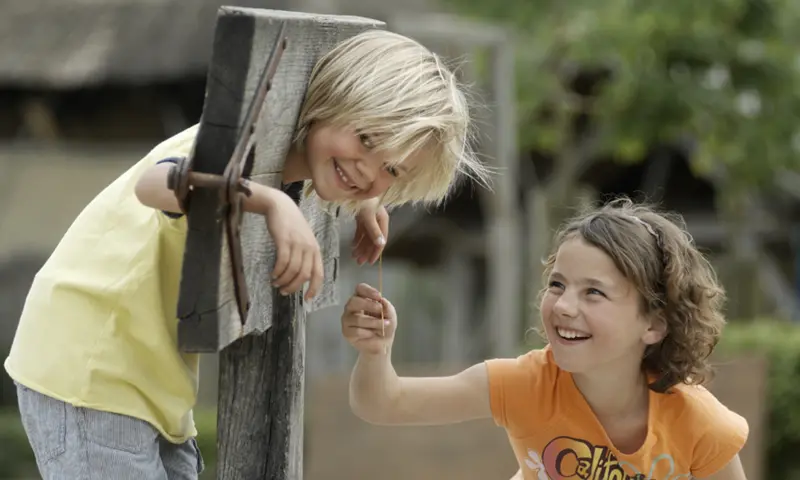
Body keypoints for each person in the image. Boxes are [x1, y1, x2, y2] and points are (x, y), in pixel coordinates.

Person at [5, 30, 487, 479]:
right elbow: (153, 184)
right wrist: (272, 202)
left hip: (152, 380)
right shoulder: (234, 145)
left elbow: (337, 162)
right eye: (366, 139)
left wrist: (363, 202)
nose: (367, 170)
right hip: (90, 361)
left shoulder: (311, 167)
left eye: (391, 170)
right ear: (332, 97)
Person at [342, 198, 749, 480]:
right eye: (557, 284)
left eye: (594, 292)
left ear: (654, 325)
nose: (564, 306)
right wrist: (375, 353)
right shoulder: (525, 385)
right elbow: (383, 403)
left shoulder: (698, 423)